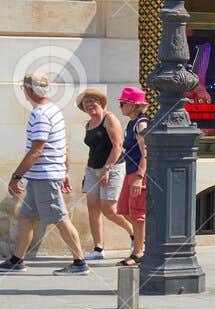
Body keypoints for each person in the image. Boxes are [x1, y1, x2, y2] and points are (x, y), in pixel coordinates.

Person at [1, 73, 88, 274]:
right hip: (43, 175)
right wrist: (64, 171)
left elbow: (37, 149)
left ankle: (80, 262)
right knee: (26, 217)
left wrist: (16, 176)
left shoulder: (39, 114)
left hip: (44, 176)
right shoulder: (54, 110)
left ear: (28, 90)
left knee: (59, 218)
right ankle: (17, 259)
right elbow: (62, 145)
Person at [77, 88, 133, 262]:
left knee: (109, 209)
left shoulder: (109, 118)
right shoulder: (88, 123)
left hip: (112, 168)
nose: (89, 104)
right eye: (86, 102)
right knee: (93, 208)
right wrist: (94, 171)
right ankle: (98, 248)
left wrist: (107, 169)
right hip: (92, 168)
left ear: (100, 102)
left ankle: (135, 234)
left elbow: (118, 145)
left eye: (92, 100)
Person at [113, 87, 151, 266]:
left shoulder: (141, 124)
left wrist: (139, 177)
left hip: (137, 173)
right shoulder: (132, 123)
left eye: (122, 104)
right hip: (130, 172)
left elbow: (146, 152)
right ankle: (140, 246)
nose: (120, 107)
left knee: (137, 215)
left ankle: (138, 252)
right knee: (125, 211)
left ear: (133, 105)